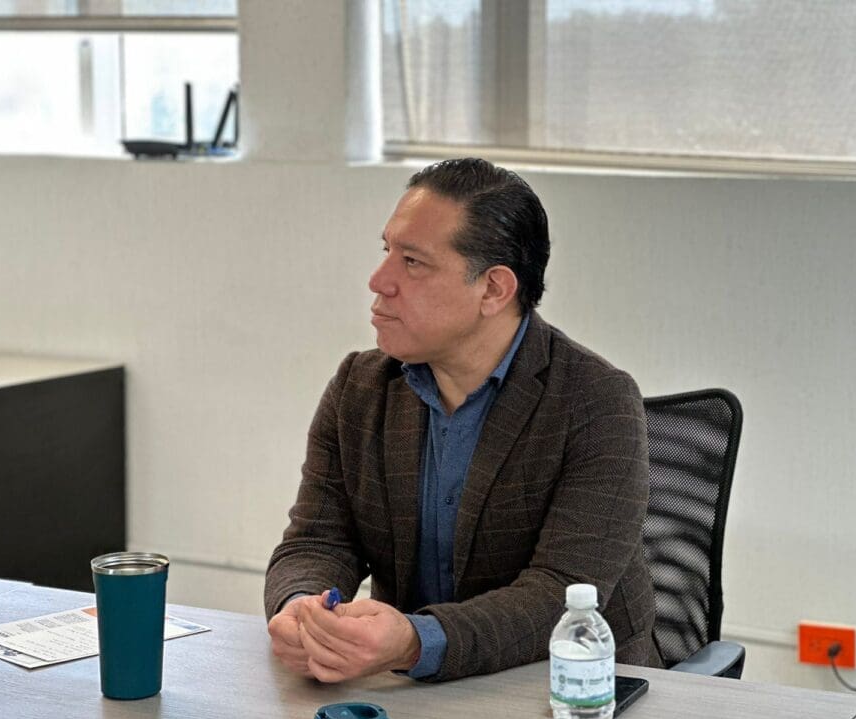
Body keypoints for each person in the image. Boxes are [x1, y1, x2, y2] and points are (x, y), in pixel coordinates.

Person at [264, 158, 659, 683]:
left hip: (570, 688)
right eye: (387, 252)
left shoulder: (597, 403)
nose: (379, 281)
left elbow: (559, 595)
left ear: (493, 289)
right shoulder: (360, 387)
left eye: (413, 262)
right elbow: (317, 541)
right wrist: (301, 610)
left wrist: (415, 641)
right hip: (412, 693)